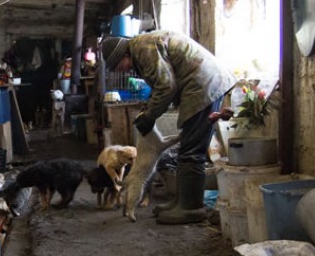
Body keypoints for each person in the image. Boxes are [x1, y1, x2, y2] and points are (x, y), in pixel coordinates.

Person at [101, 31, 236, 224]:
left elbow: (166, 86)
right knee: (186, 148)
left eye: (118, 66)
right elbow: (162, 85)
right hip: (201, 84)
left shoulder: (143, 49)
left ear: (124, 55)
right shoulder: (141, 49)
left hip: (202, 86)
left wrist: (149, 115)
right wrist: (149, 108)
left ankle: (191, 208)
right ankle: (181, 202)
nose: (121, 71)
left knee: (191, 150)